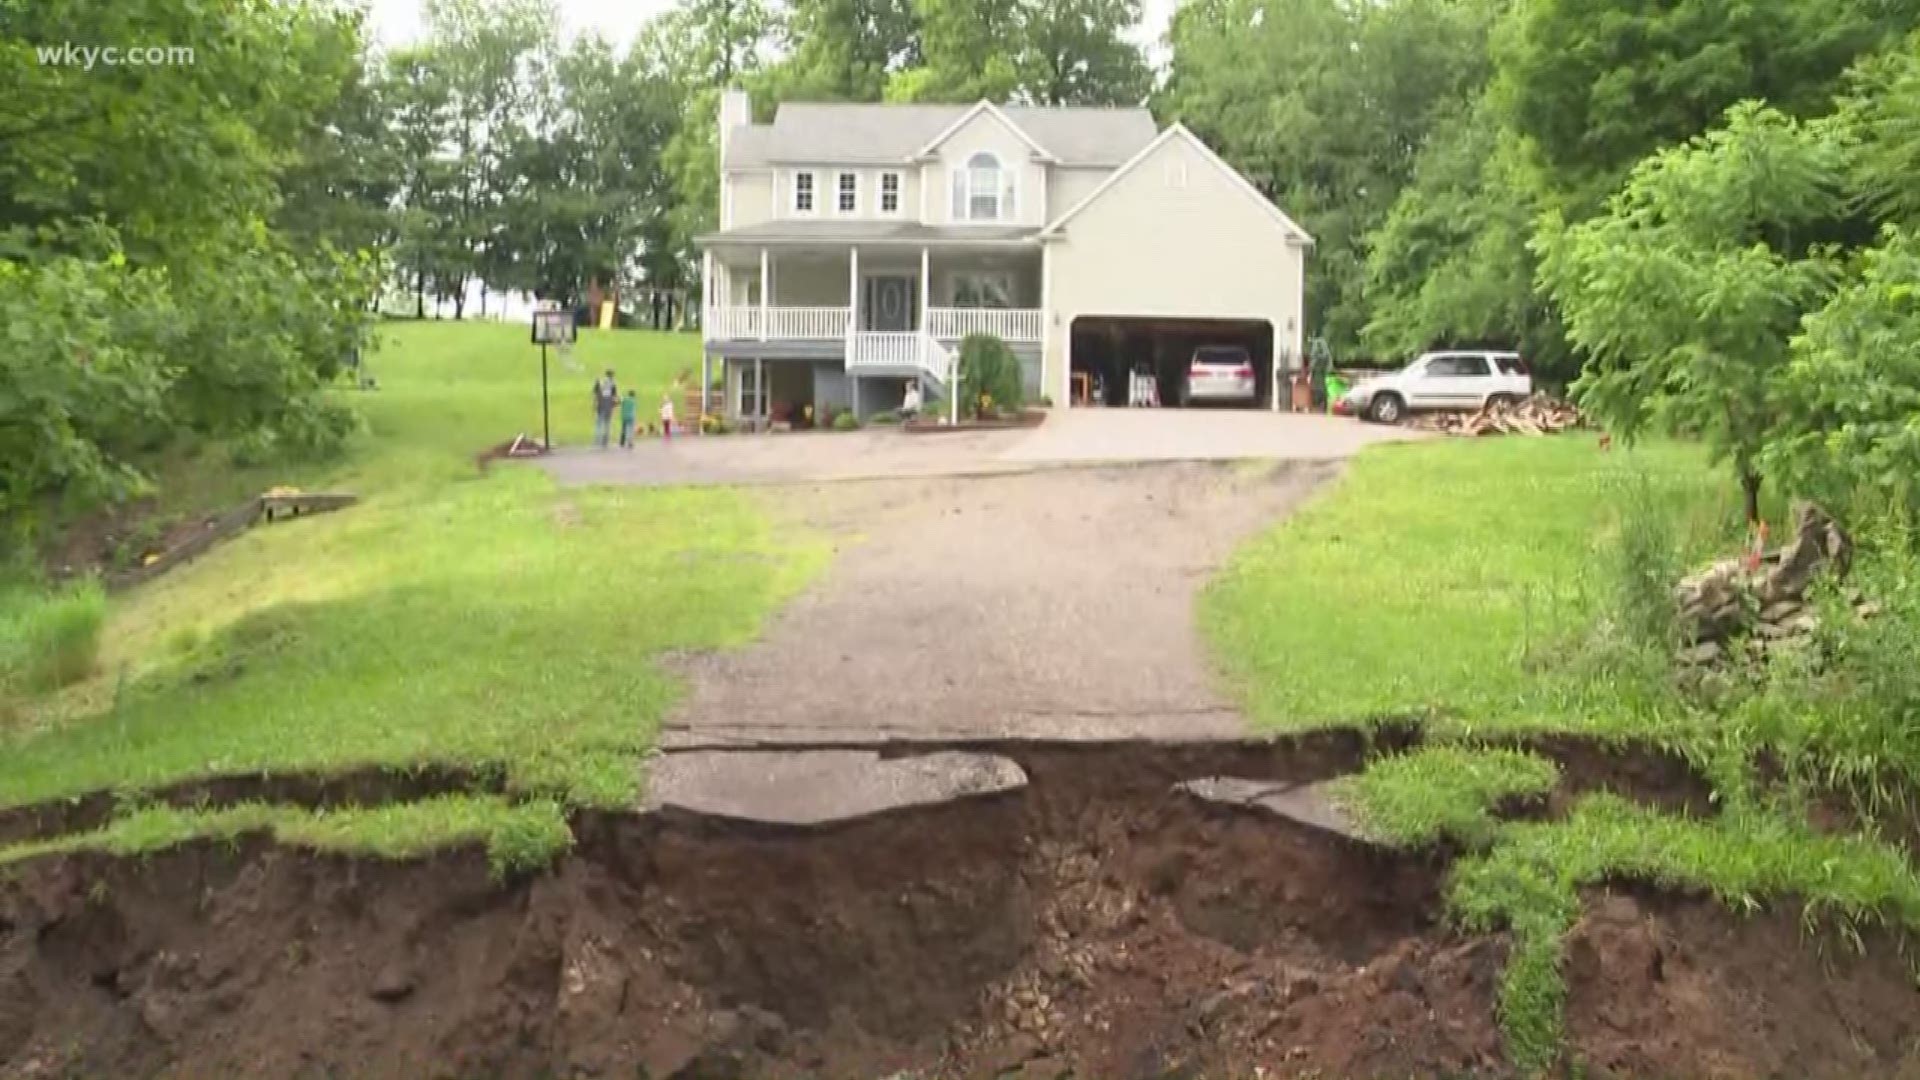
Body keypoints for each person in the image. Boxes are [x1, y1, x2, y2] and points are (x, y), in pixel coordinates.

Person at [591, 369, 618, 448]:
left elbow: (595, 393)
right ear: (612, 375)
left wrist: (594, 403)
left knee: (599, 423)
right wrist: (615, 406)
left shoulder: (599, 381)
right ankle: (605, 441)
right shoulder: (613, 383)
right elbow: (614, 397)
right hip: (609, 406)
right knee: (607, 424)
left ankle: (597, 440)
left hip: (600, 405)